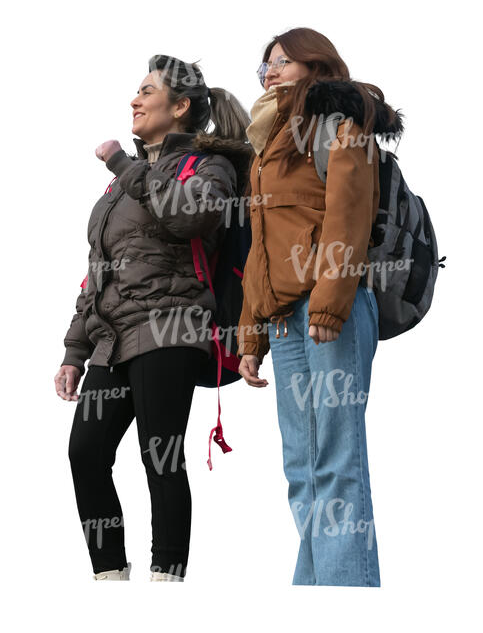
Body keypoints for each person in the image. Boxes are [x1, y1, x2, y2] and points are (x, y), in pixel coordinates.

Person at [54, 54, 252, 581]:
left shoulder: (211, 167)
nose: (134, 100)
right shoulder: (122, 185)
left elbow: (188, 217)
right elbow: (98, 272)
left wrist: (125, 165)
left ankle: (166, 584)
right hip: (110, 342)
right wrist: (75, 352)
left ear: (180, 106)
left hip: (171, 328)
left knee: (159, 457)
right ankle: (111, 582)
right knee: (85, 454)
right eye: (135, 92)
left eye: (146, 91)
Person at [237, 28, 404, 586]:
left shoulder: (338, 120)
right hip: (284, 318)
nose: (272, 71)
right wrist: (251, 335)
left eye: (283, 60)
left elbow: (348, 214)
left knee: (336, 460)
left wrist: (330, 305)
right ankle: (316, 598)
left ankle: (345, 599)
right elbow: (259, 247)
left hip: (329, 307)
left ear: (316, 63)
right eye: (266, 65)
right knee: (301, 468)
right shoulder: (267, 141)